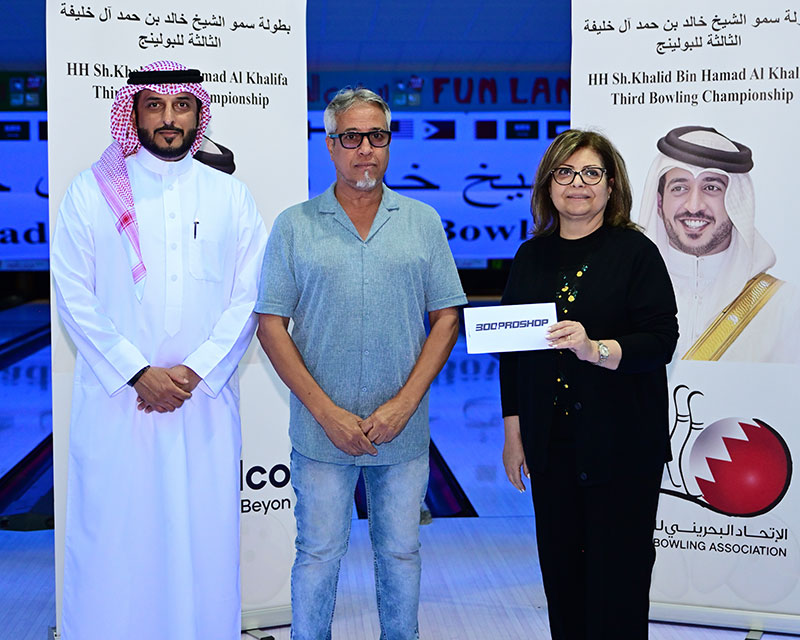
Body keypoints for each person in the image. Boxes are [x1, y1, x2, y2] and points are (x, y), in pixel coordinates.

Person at [51, 60, 267, 640]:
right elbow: (72, 294)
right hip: (118, 405)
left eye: (181, 106)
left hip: (202, 406)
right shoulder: (90, 193)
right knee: (113, 543)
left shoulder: (231, 196)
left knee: (204, 542)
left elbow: (251, 296)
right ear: (134, 112)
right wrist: (136, 371)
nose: (169, 118)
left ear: (199, 114)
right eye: (155, 106)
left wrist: (194, 372)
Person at [255, 87, 466, 640]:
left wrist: (403, 405)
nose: (365, 148)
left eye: (377, 136)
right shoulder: (295, 225)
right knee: (318, 554)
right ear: (330, 145)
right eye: (351, 137)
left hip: (402, 432)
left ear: (389, 143)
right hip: (321, 434)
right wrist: (327, 414)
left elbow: (447, 317)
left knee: (401, 554)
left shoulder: (421, 221)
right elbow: (270, 324)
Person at [500, 130, 678, 640]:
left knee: (618, 580)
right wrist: (514, 434)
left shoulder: (636, 252)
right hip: (551, 445)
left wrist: (595, 348)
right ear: (548, 184)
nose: (577, 183)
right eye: (565, 172)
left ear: (610, 185)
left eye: (591, 173)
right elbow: (511, 356)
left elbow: (660, 340)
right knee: (562, 578)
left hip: (622, 445)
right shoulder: (530, 256)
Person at [639, 125, 800, 362]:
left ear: (736, 202)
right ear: (660, 202)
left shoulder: (784, 307)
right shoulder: (629, 295)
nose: (694, 206)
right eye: (679, 188)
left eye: (711, 188)